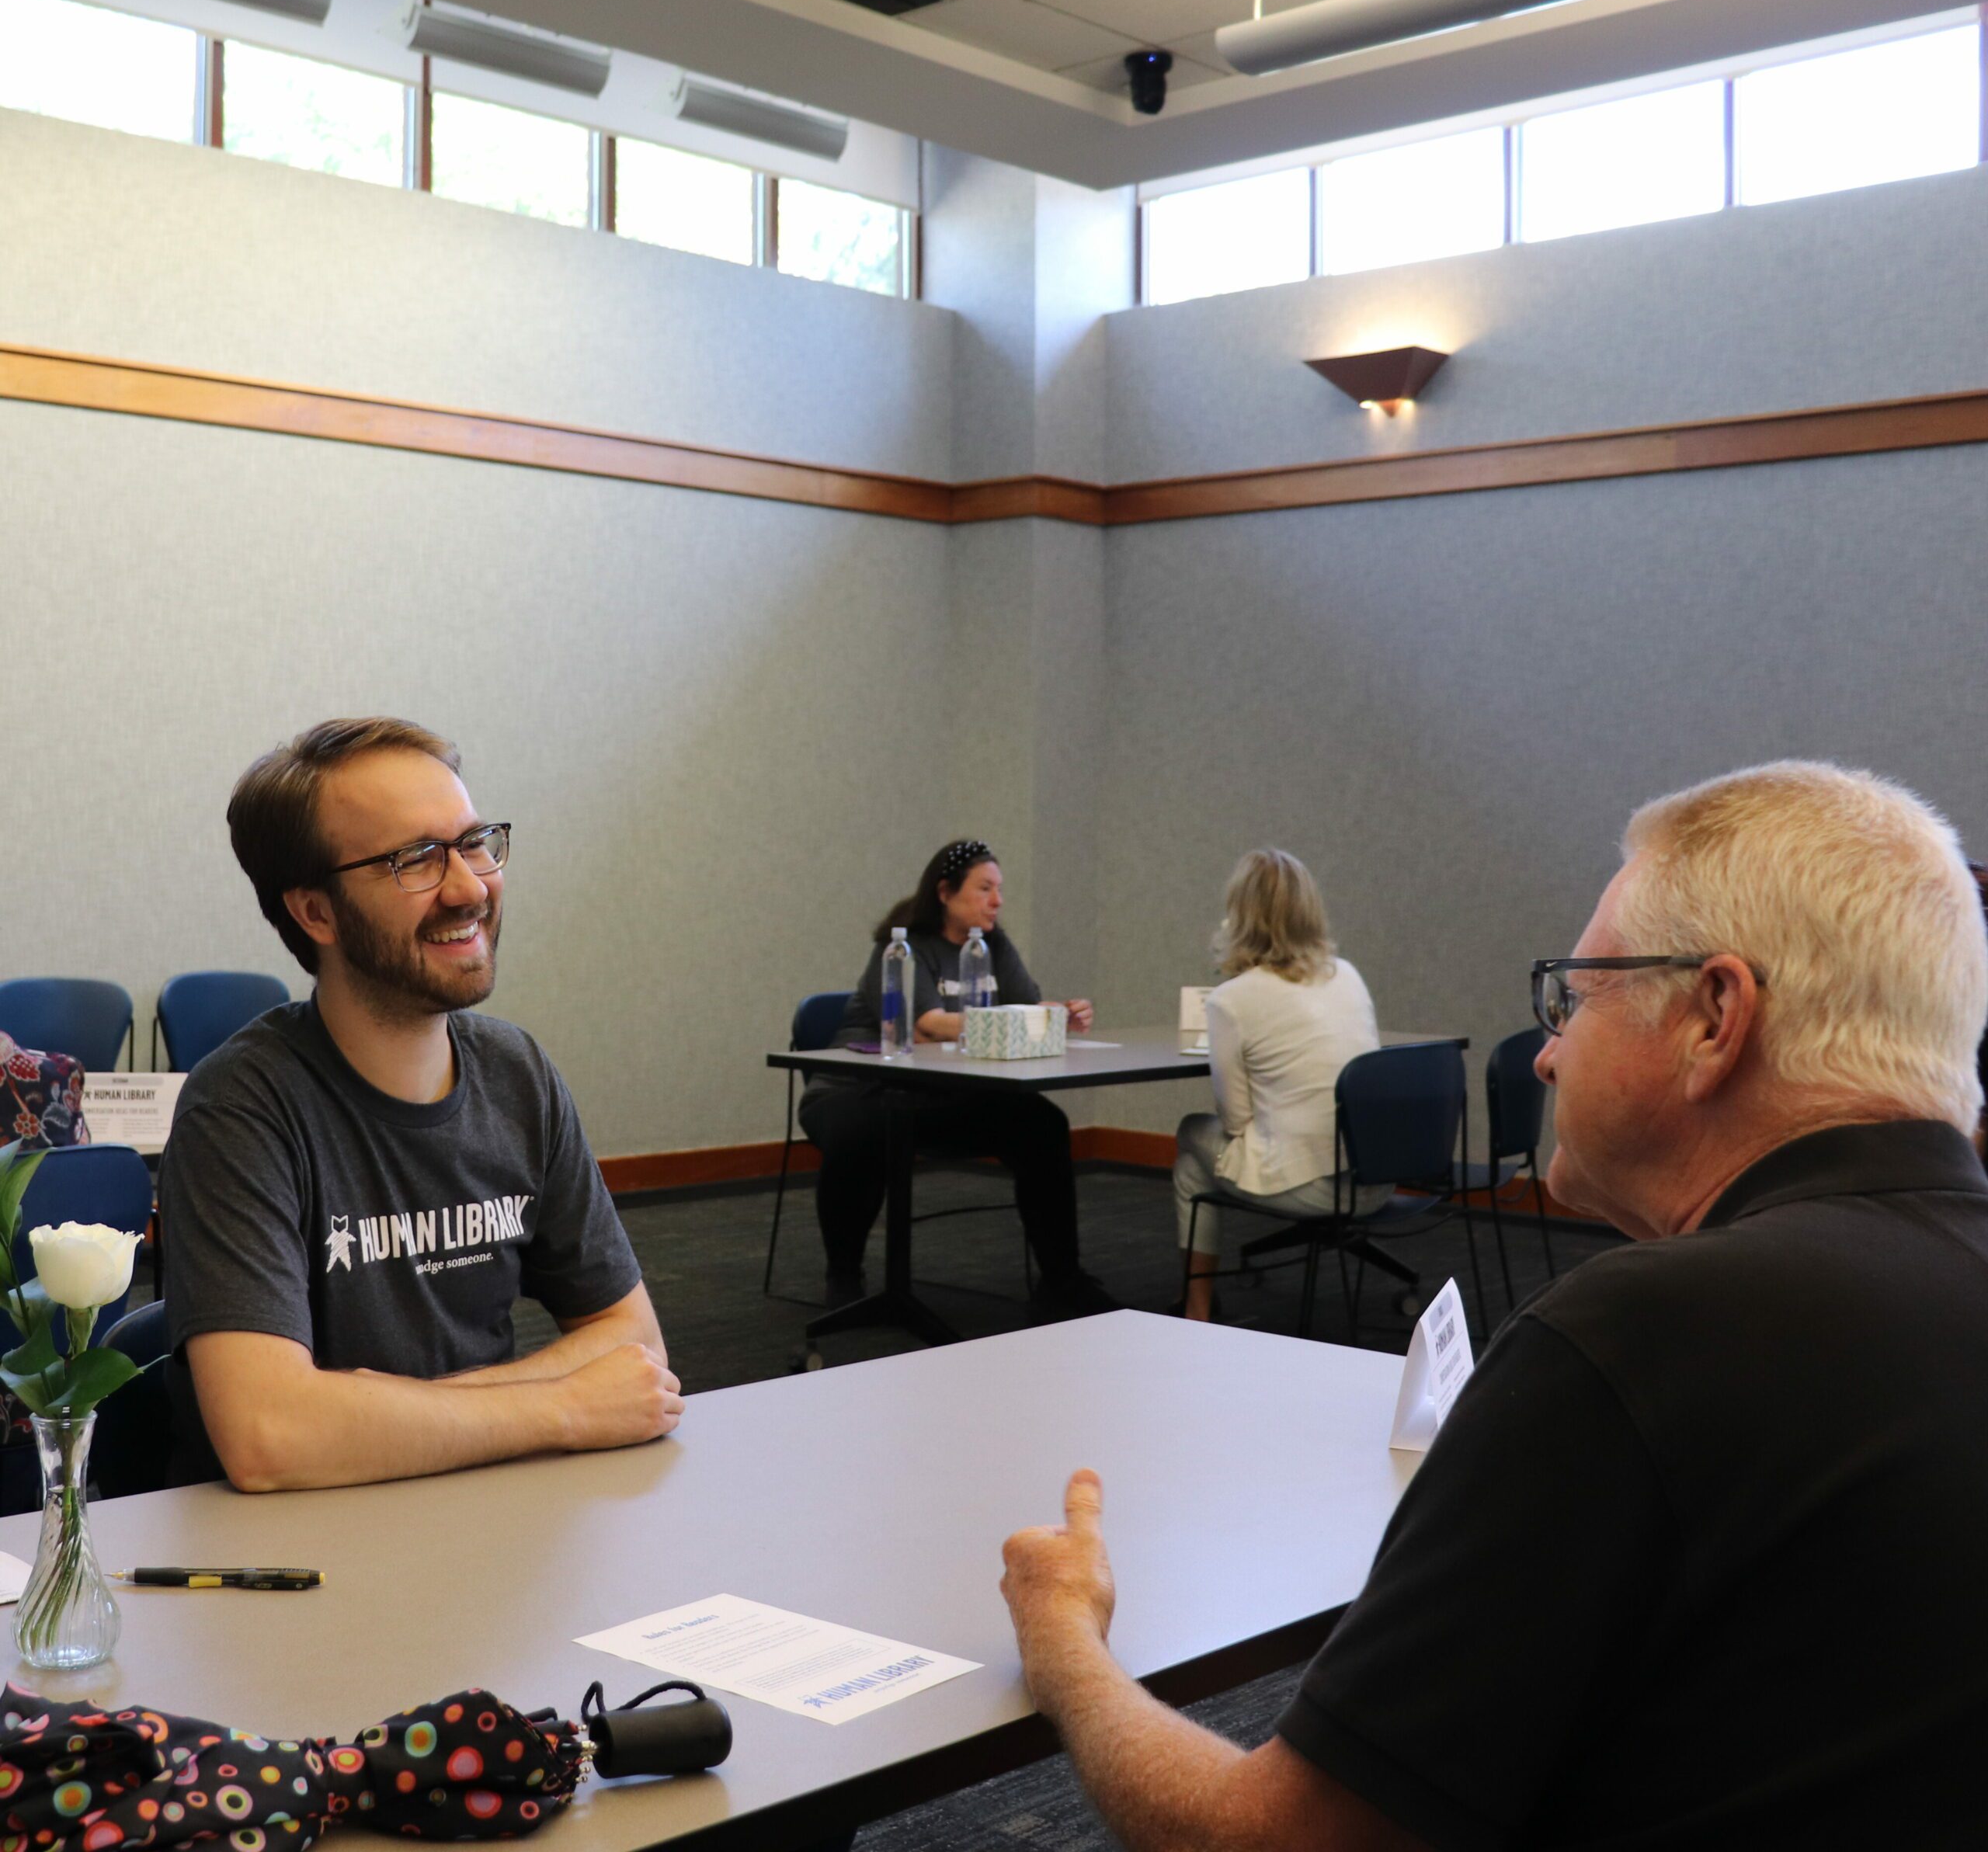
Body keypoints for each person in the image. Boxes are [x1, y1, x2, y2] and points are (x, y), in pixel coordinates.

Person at [1000, 761, 1988, 1849]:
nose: (1552, 1051)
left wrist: (1065, 1648)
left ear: (1715, 1016)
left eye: (1577, 995)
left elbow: (1282, 1840)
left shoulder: (1647, 1340)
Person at [162, 718, 680, 1492]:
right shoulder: (241, 1107)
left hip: (484, 1516)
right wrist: (562, 1408)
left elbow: (632, 1342)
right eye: (415, 860)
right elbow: (270, 1435)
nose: (470, 886)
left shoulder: (517, 1072)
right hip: (308, 1557)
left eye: (474, 842)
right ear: (316, 913)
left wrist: (376, 1415)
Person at [798, 839, 1114, 1322]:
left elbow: (1026, 1008)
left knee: (1041, 1122)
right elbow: (927, 1024)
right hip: (857, 1088)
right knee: (863, 1133)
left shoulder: (993, 944)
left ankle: (1062, 1280)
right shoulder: (902, 947)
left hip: (940, 1093)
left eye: (999, 889)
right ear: (946, 892)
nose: (997, 901)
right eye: (985, 888)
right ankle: (845, 1276)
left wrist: (1060, 1014)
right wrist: (1020, 1017)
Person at [1174, 850, 1382, 1321]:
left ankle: (1197, 1313)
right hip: (1380, 1175)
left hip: (1313, 1188)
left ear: (1239, 916)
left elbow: (1236, 1120)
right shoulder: (1347, 975)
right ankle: (1196, 1312)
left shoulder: (1232, 1000)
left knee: (1191, 1142)